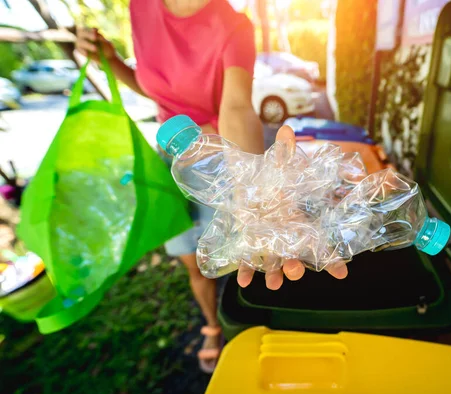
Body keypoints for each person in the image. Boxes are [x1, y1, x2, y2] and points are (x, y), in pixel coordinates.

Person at [76, 0, 347, 373]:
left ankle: (250, 321)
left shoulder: (233, 27)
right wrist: (113, 60)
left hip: (220, 153)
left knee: (242, 250)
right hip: (169, 158)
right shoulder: (140, 7)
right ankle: (213, 325)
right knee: (193, 260)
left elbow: (235, 107)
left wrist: (255, 184)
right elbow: (154, 83)